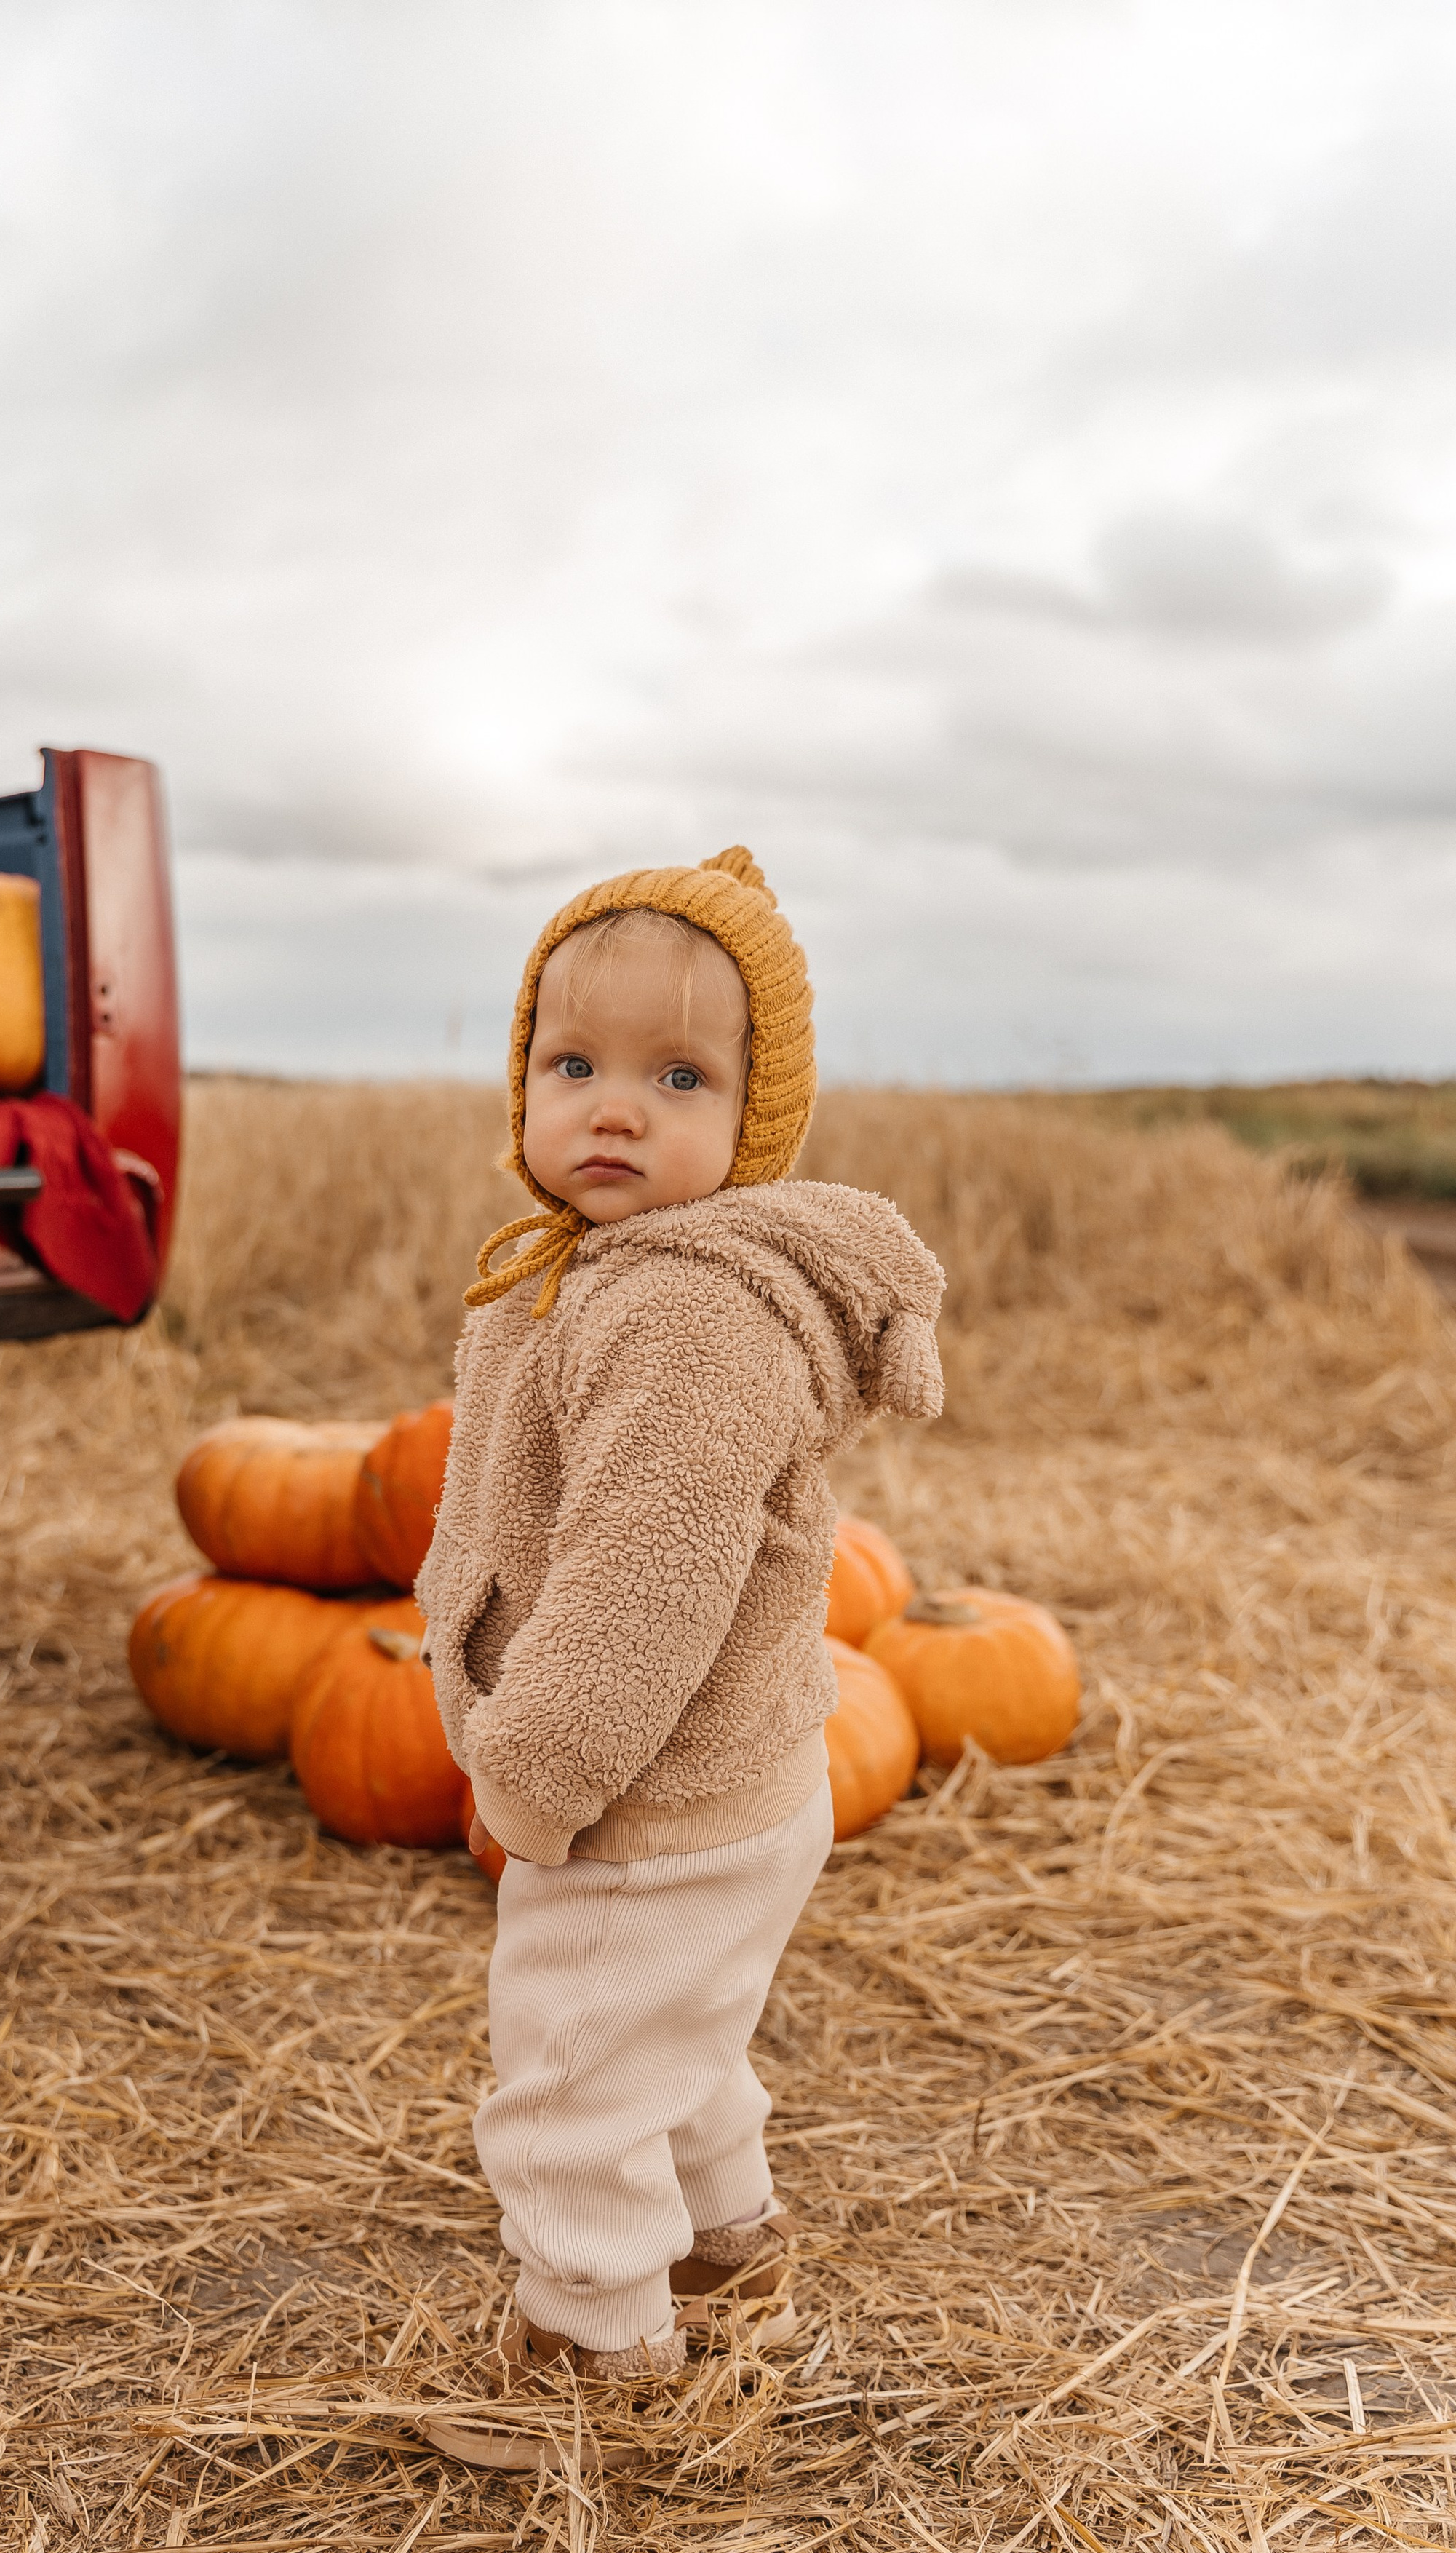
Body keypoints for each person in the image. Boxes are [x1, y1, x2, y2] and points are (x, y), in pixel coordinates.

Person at [415, 846, 944, 2466]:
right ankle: (728, 2252)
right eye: (572, 1066)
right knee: (679, 2039)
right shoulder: (591, 1276)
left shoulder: (682, 1315)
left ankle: (599, 2371)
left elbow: (641, 1588)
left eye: (675, 1076)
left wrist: (532, 1773)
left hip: (646, 1796)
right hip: (739, 1781)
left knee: (571, 2079)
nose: (613, 1110)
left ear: (752, 1117)